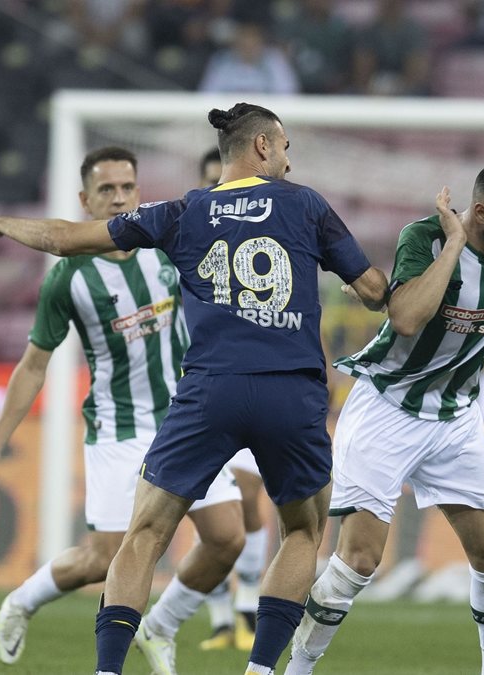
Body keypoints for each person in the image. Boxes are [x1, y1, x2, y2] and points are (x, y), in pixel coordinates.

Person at [0, 102, 390, 675]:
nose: (287, 159)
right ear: (262, 146)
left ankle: (109, 669)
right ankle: (260, 670)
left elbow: (63, 237)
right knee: (303, 530)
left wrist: (0, 224)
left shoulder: (182, 212)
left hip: (209, 393)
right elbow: (375, 291)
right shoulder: (306, 204)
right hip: (289, 391)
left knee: (145, 535)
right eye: (284, 146)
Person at [286, 160, 484, 675]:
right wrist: (454, 246)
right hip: (387, 407)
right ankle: (298, 669)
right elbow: (406, 319)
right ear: (481, 212)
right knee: (359, 561)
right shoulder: (426, 237)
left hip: (455, 416)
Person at [0, 146, 246, 674]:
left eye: (127, 187)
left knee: (227, 539)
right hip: (119, 430)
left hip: (183, 418)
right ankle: (22, 601)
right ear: (85, 201)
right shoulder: (68, 279)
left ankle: (160, 626)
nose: (119, 198)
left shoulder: (166, 248)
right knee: (105, 559)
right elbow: (34, 366)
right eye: (106, 190)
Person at [195, 145, 271, 653]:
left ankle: (246, 608)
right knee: (205, 506)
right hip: (200, 390)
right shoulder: (186, 241)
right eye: (211, 184)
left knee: (244, 496)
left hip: (256, 387)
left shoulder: (265, 241)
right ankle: (222, 619)